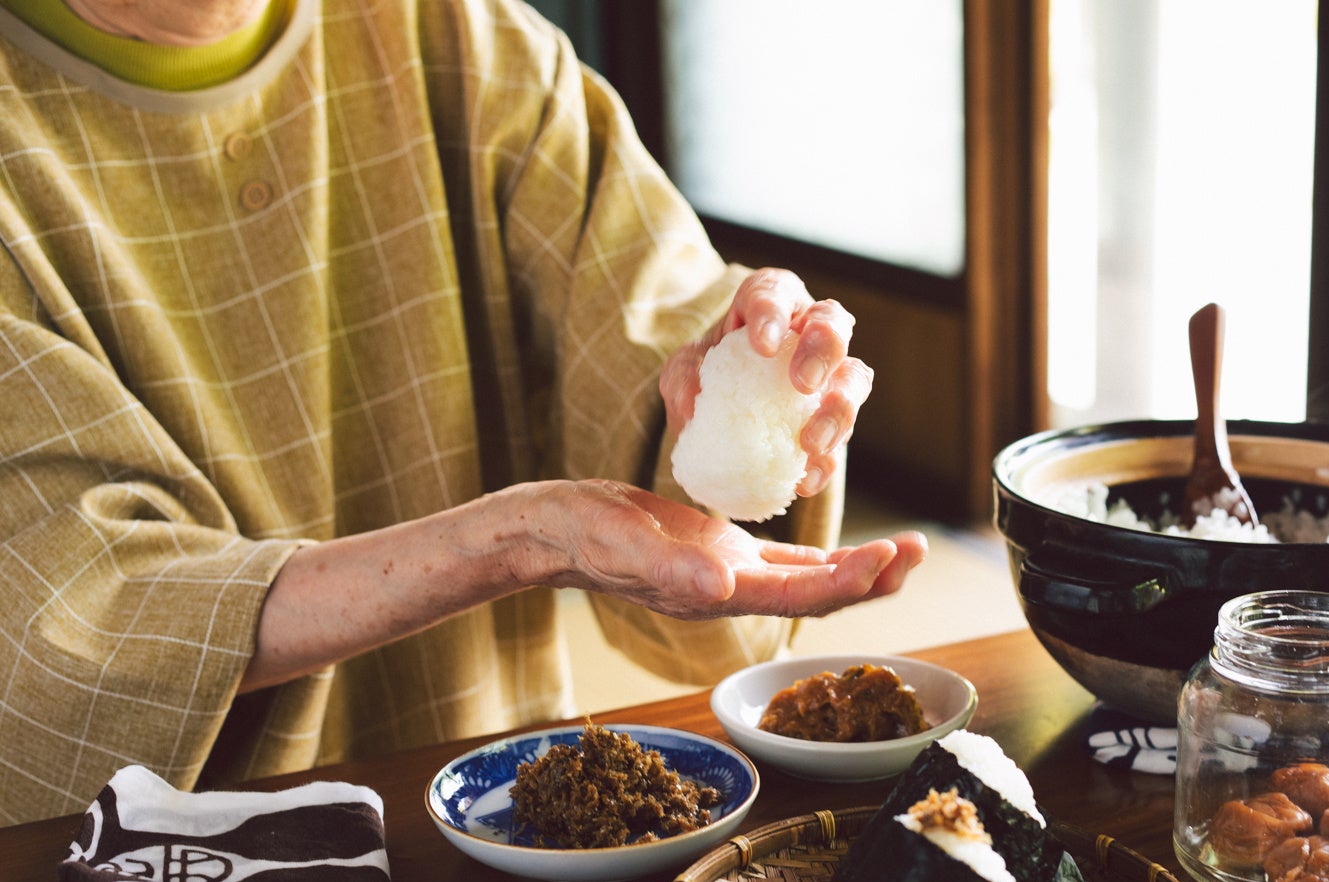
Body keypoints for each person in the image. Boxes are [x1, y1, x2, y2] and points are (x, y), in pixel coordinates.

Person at [0, 0, 928, 826]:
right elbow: (66, 612)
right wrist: (516, 538)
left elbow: (655, 329)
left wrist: (764, 367)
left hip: (496, 820)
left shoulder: (466, 43)